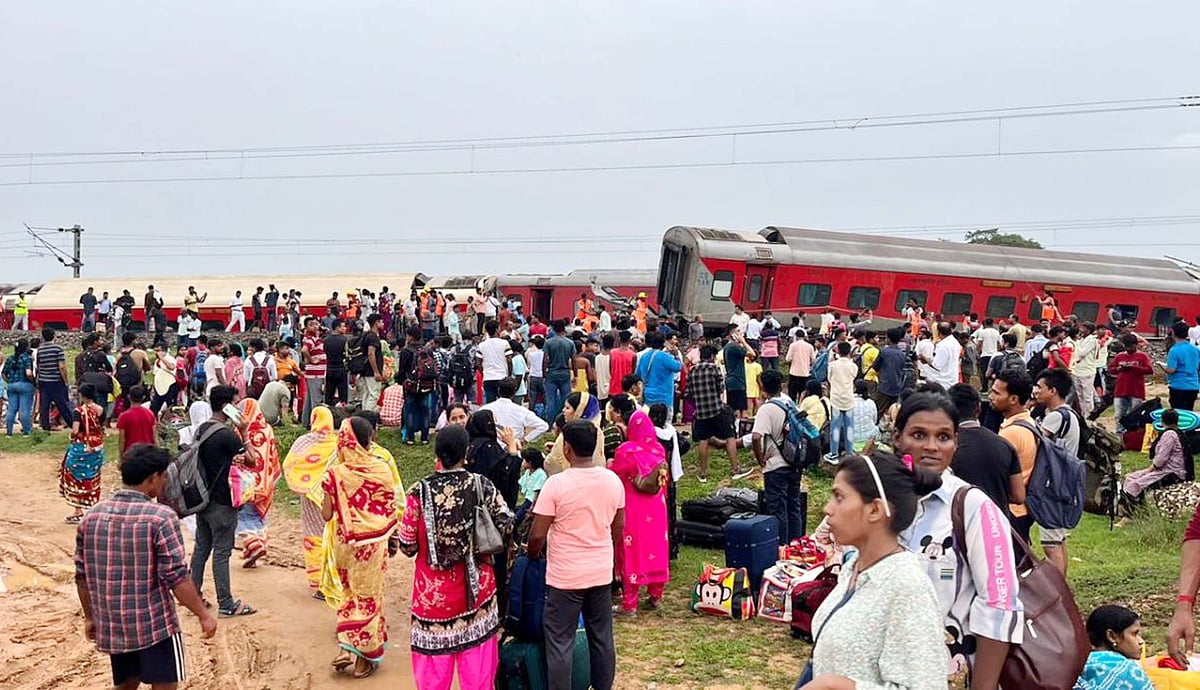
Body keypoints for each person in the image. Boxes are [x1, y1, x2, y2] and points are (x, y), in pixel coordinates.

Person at [894, 391, 1024, 689]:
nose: (931, 447)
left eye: (943, 437)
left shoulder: (973, 507)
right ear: (898, 437)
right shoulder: (880, 503)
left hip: (946, 674)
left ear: (955, 443)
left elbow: (1000, 606)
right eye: (918, 434)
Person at [74, 444, 218, 690]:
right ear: (152, 479)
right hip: (156, 626)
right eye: (163, 477)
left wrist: (90, 617)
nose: (164, 483)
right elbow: (177, 577)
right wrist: (203, 614)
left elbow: (82, 576)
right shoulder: (161, 518)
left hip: (115, 624)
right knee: (165, 685)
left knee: (126, 683)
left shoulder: (91, 517)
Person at [801, 454, 949, 690]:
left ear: (875, 510)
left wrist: (840, 686)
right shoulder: (854, 570)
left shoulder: (907, 587)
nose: (827, 508)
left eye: (839, 497)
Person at [398, 425, 514, 689]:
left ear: (437, 453)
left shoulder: (419, 492)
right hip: (476, 595)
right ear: (467, 452)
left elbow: (406, 546)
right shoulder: (481, 485)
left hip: (432, 599)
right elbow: (507, 524)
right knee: (478, 671)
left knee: (433, 672)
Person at [528, 419, 624, 690]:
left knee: (560, 641)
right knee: (602, 636)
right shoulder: (612, 481)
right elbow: (618, 528)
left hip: (565, 576)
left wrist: (533, 555)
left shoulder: (556, 485)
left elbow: (537, 535)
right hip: (600, 571)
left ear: (567, 449)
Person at [317, 417, 399, 679]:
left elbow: (327, 515)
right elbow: (390, 509)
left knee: (348, 594)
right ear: (369, 439)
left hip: (345, 544)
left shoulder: (335, 474)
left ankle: (346, 646)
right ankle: (363, 658)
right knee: (370, 598)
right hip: (373, 548)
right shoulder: (382, 470)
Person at [190, 385, 258, 618]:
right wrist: (245, 432)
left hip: (203, 500)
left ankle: (194, 595)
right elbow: (252, 461)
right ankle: (227, 603)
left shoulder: (202, 430)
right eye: (235, 402)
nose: (239, 406)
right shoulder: (226, 435)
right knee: (221, 552)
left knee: (201, 548)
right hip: (223, 501)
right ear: (227, 405)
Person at [609, 407, 670, 616]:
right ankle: (655, 596)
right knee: (656, 548)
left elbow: (614, 473)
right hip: (657, 508)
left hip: (633, 509)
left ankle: (629, 604)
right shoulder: (659, 451)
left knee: (633, 552)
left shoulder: (626, 451)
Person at [282, 405, 339, 593]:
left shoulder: (304, 441)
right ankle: (331, 578)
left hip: (309, 496)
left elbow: (289, 463)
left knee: (313, 534)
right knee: (329, 535)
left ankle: (317, 580)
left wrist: (300, 482)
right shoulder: (337, 443)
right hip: (330, 498)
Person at [1032, 367, 1081, 575]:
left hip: (1053, 484)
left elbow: (1033, 442)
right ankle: (1062, 589)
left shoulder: (1056, 418)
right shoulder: (1069, 413)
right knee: (1058, 540)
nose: (1036, 391)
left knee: (1051, 543)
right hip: (1065, 481)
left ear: (1052, 391)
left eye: (1040, 387)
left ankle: (1058, 592)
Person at [948, 384, 1025, 514]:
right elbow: (1018, 496)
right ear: (978, 408)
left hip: (959, 522)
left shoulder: (945, 448)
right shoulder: (1004, 445)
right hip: (996, 524)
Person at [752, 370, 806, 541]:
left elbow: (756, 436)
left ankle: (782, 547)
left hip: (775, 465)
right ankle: (795, 546)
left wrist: (760, 458)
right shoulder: (790, 403)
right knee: (794, 506)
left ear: (762, 387)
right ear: (782, 386)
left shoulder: (767, 409)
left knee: (778, 509)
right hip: (795, 462)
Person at [992, 367, 1039, 545]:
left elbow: (996, 474)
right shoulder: (1027, 423)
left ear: (1013, 399)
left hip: (1012, 511)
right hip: (1022, 510)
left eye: (997, 392)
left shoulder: (1012, 433)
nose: (991, 395)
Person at [235, 397, 282, 568]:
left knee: (243, 515)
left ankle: (254, 545)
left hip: (246, 483)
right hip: (264, 482)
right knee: (257, 515)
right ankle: (253, 551)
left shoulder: (239, 431)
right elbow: (273, 454)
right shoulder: (267, 429)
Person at [688, 344, 746, 482]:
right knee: (730, 436)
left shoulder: (692, 370)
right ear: (712, 356)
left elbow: (690, 391)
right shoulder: (714, 368)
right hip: (716, 408)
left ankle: (702, 473)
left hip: (701, 411)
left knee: (703, 440)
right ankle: (735, 469)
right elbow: (720, 388)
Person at [1075, 605, 1153, 690]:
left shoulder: (1076, 666)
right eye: (1134, 634)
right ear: (1112, 636)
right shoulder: (1127, 672)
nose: (1141, 641)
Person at [61, 382, 106, 524]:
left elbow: (75, 430)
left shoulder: (79, 411)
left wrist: (72, 438)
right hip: (97, 446)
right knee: (93, 476)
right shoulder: (100, 410)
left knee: (75, 476)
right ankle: (92, 506)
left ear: (82, 395)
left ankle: (78, 509)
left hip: (81, 447)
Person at [1125, 408, 1189, 500]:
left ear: (1162, 421)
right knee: (1130, 477)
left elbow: (1161, 460)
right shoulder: (1179, 433)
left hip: (1171, 473)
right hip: (1172, 470)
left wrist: (1150, 469)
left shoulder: (1169, 435)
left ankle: (1131, 507)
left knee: (1135, 484)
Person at [545, 391, 606, 474]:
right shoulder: (597, 431)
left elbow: (553, 462)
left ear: (579, 410)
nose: (563, 411)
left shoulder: (570, 432)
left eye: (567, 408)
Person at [481, 376, 549, 445]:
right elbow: (543, 426)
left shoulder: (485, 409)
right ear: (515, 391)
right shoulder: (522, 411)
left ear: (498, 390)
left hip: (491, 448)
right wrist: (525, 440)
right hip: (513, 446)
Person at [1109, 334, 1153, 434]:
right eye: (1127, 346)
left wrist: (1133, 368)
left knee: (1135, 413)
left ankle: (1133, 434)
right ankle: (1119, 433)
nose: (1129, 348)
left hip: (1136, 390)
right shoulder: (1120, 356)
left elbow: (1149, 370)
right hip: (1121, 389)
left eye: (1131, 346)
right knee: (1119, 414)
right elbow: (1111, 369)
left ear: (1136, 345)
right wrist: (1118, 369)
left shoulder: (1142, 356)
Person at [826, 341, 858, 462]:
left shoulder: (832, 365)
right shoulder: (853, 366)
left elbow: (829, 379)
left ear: (838, 351)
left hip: (836, 399)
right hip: (849, 399)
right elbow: (854, 377)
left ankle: (833, 453)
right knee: (849, 427)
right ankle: (849, 453)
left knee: (835, 427)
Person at [36, 328, 73, 431]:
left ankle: (45, 425)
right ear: (53, 336)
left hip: (44, 380)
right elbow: (61, 366)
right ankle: (71, 423)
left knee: (45, 404)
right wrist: (65, 380)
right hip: (56, 380)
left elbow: (38, 366)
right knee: (62, 403)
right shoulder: (58, 349)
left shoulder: (40, 349)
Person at [636, 330, 683, 409]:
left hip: (648, 395)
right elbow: (678, 367)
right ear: (663, 343)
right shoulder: (665, 357)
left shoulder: (644, 356)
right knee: (665, 420)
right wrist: (676, 355)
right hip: (664, 396)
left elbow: (638, 375)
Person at [1162, 320, 1200, 412]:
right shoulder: (1195, 349)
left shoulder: (1174, 350)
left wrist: (1161, 366)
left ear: (1173, 333)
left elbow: (1171, 370)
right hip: (1193, 386)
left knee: (1178, 414)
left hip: (1178, 385)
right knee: (1188, 413)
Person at [543, 320, 577, 422]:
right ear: (564, 329)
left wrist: (544, 374)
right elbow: (574, 360)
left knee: (550, 401)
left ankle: (550, 424)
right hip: (565, 373)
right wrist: (575, 375)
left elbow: (545, 360)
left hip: (552, 373)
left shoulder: (548, 342)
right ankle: (564, 422)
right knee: (566, 401)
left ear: (553, 329)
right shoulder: (570, 343)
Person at [477, 320, 514, 404]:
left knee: (490, 404)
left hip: (488, 378)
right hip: (502, 377)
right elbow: (509, 360)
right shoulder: (504, 343)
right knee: (504, 403)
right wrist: (509, 374)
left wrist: (484, 372)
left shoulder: (481, 345)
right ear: (497, 330)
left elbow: (478, 363)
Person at [3, 339, 35, 436]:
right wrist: (33, 381)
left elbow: (4, 373)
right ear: (26, 347)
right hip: (25, 384)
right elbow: (28, 373)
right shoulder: (27, 358)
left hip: (12, 385)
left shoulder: (10, 358)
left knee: (11, 409)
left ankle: (9, 432)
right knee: (24, 410)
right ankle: (26, 431)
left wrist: (10, 382)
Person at [357, 314, 387, 412]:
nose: (383, 324)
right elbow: (371, 353)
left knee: (367, 394)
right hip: (371, 371)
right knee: (374, 395)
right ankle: (368, 417)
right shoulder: (373, 337)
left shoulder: (366, 335)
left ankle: (363, 416)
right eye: (381, 322)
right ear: (376, 323)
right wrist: (376, 371)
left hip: (365, 370)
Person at [300, 316, 327, 426]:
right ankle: (317, 424)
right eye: (312, 325)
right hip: (315, 373)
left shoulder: (314, 338)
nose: (315, 327)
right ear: (306, 327)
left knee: (310, 399)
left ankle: (306, 422)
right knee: (316, 400)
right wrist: (311, 360)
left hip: (313, 373)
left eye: (316, 324)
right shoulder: (310, 339)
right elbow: (304, 350)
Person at [116, 385, 156, 460]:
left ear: (129, 397)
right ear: (143, 398)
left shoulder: (124, 416)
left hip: (131, 453)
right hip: (147, 452)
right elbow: (154, 436)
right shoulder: (150, 414)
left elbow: (122, 439)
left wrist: (121, 457)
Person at [722, 326, 751, 418]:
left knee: (735, 408)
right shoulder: (734, 347)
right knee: (740, 410)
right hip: (737, 381)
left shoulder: (728, 347)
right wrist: (743, 341)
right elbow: (753, 354)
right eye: (738, 331)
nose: (741, 333)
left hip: (732, 380)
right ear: (732, 334)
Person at [324, 319, 350, 407]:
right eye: (343, 326)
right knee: (343, 394)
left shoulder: (326, 340)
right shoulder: (344, 340)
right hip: (341, 369)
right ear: (338, 327)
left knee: (329, 393)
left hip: (329, 368)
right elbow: (347, 355)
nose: (345, 328)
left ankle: (328, 411)